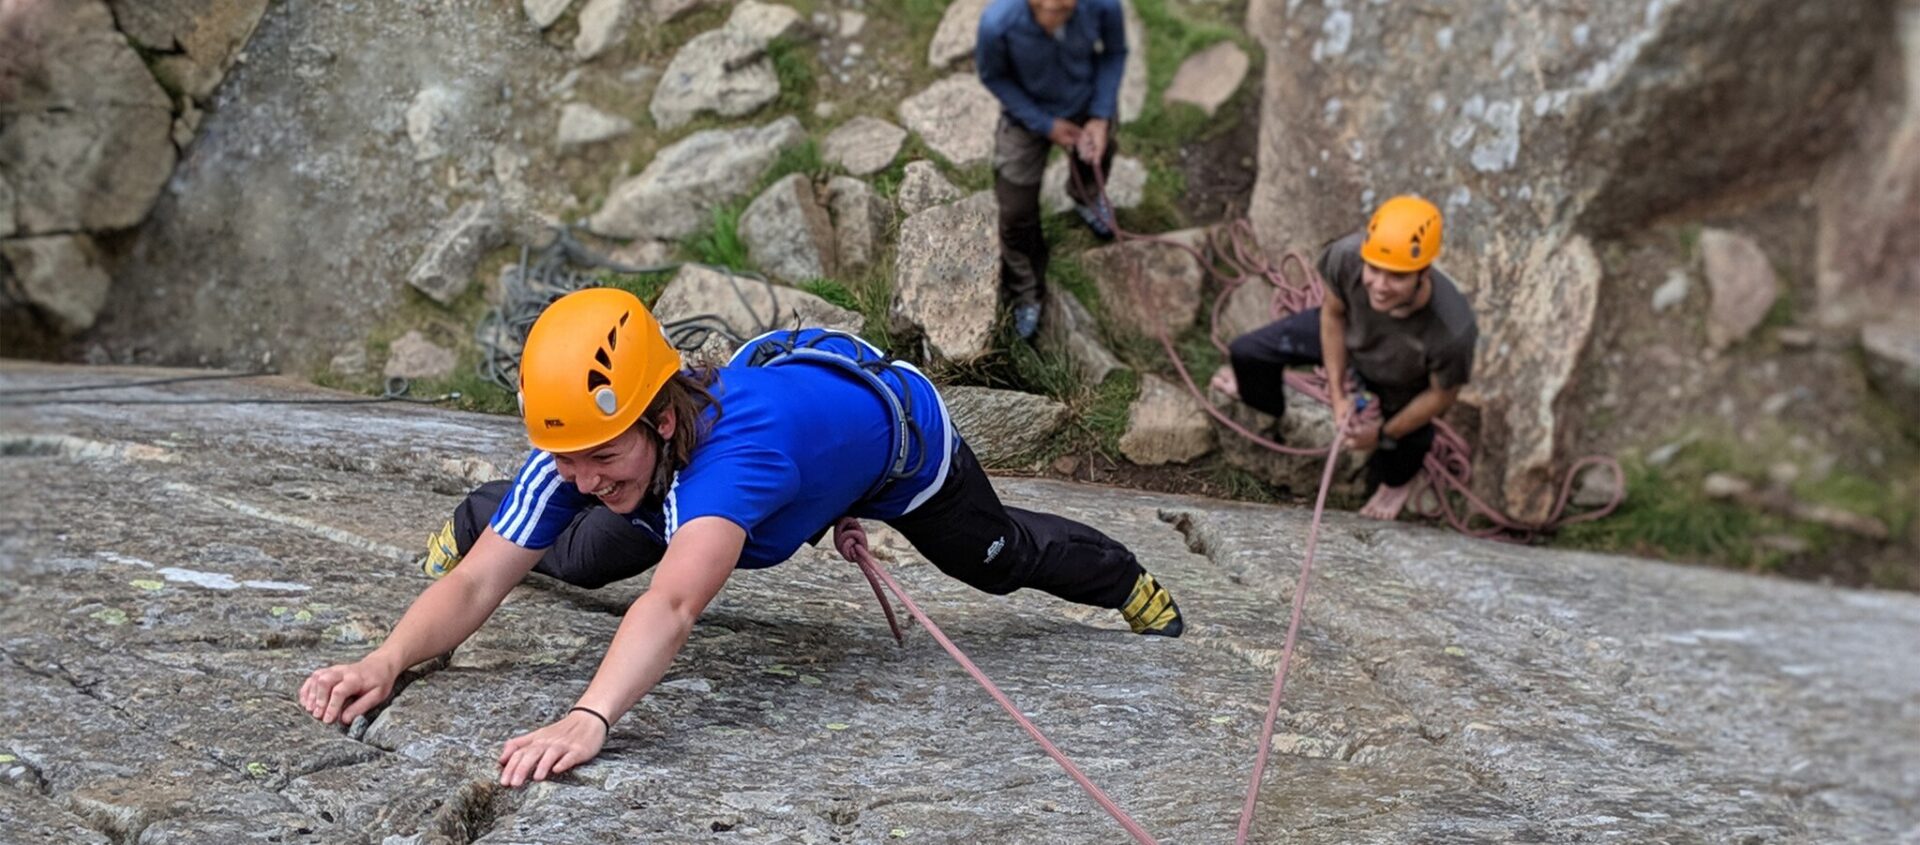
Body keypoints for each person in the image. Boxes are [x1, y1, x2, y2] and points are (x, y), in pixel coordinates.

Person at [299, 288, 1184, 788]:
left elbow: (675, 602)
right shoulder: (586, 454)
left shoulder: (735, 466)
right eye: (562, 458)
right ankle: (476, 509)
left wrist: (588, 716)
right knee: (574, 550)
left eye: (600, 454)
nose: (580, 474)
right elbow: (478, 584)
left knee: (995, 563)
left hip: (895, 448)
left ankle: (1126, 583)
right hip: (732, 452)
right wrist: (385, 661)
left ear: (660, 414)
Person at [1212, 195, 1478, 521]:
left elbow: (1441, 395)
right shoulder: (1347, 257)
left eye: (1396, 276)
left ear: (1423, 273)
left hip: (1404, 375)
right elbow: (1333, 316)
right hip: (1351, 333)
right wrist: (1338, 396)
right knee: (1247, 353)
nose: (1379, 286)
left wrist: (1381, 434)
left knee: (1409, 437)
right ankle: (1266, 405)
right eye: (1374, 270)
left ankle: (1397, 483)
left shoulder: (1452, 328)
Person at [976, 0, 1127, 341]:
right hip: (1027, 116)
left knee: (1098, 155)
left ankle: (1086, 195)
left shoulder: (1104, 6)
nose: (1056, 12)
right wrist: (1045, 125)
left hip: (1086, 103)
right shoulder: (996, 24)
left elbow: (1114, 52)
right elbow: (993, 76)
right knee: (1014, 211)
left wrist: (1101, 116)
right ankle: (1027, 288)